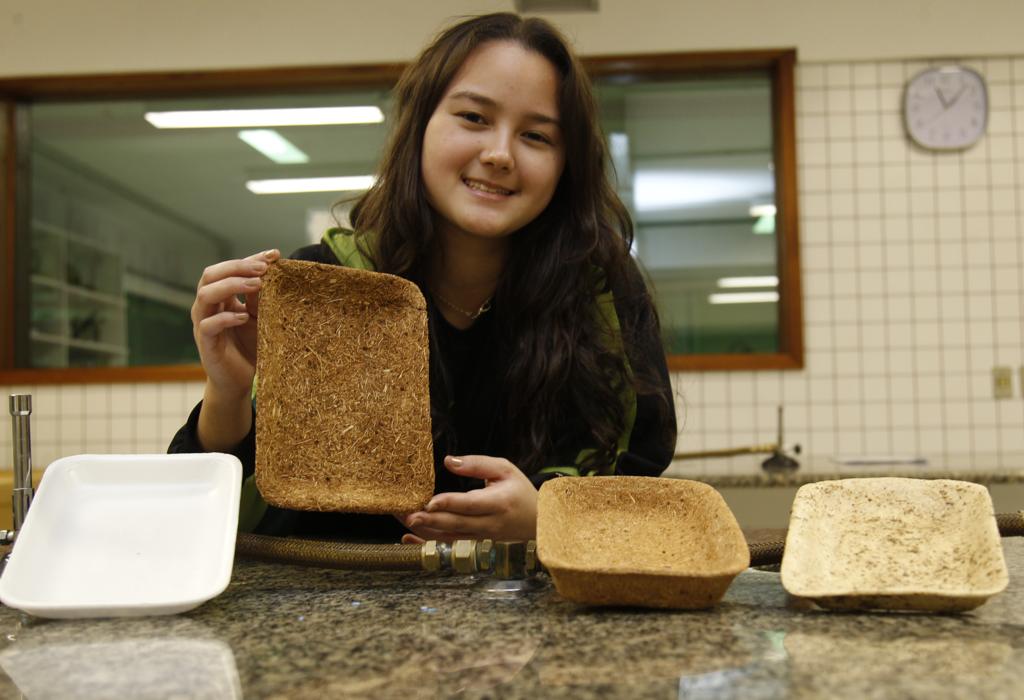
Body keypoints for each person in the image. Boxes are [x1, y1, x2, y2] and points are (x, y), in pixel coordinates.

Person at [169, 12, 676, 544]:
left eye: (535, 135)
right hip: (331, 607)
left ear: (566, 163)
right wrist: (227, 392)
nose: (499, 154)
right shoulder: (327, 286)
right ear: (420, 126)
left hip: (532, 612)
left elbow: (640, 486)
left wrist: (550, 519)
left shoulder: (605, 295)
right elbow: (208, 525)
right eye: (474, 118)